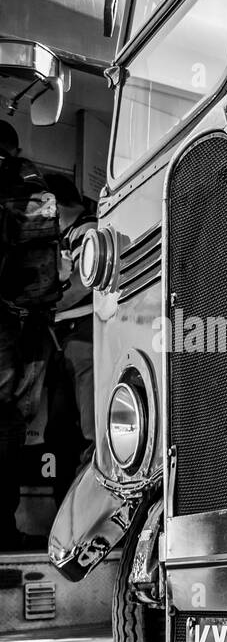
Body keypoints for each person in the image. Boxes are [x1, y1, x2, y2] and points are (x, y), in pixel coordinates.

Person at [0, 119, 61, 549]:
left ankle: (3, 525)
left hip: (8, 324)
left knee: (8, 423)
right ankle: (4, 524)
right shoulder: (33, 181)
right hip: (34, 322)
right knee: (15, 424)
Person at [46, 173, 96, 467]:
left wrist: (50, 301)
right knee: (60, 427)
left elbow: (84, 281)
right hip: (66, 338)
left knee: (86, 424)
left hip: (83, 333)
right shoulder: (65, 235)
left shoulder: (86, 228)